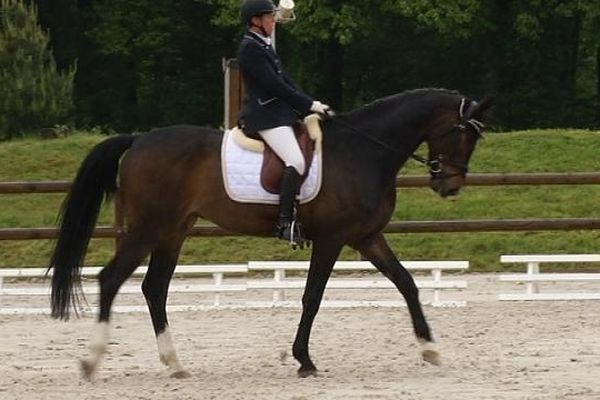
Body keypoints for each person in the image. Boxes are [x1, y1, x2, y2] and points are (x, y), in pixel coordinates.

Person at [237, 0, 330, 245]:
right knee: (296, 161)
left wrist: (311, 103)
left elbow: (287, 81)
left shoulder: (263, 46)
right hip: (264, 116)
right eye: (269, 17)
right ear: (255, 21)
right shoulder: (249, 48)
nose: (273, 21)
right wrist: (308, 105)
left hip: (279, 113)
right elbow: (274, 86)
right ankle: (285, 222)